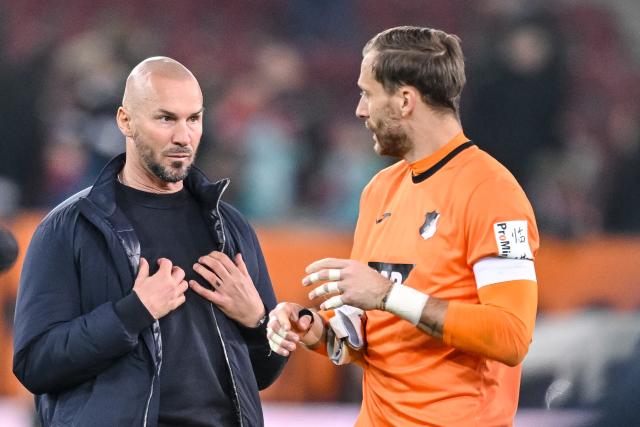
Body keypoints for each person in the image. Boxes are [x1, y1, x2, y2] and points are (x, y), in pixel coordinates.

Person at [267, 26, 539, 426]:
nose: (360, 110)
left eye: (367, 93)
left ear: (405, 100)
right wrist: (318, 332)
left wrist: (388, 295)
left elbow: (511, 336)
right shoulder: (380, 189)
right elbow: (374, 332)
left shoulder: (491, 192)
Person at [13, 57, 286, 427]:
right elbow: (35, 364)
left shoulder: (230, 227)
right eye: (165, 118)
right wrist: (133, 313)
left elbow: (263, 374)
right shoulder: (69, 228)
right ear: (125, 120)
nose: (183, 136)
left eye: (194, 119)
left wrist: (258, 322)